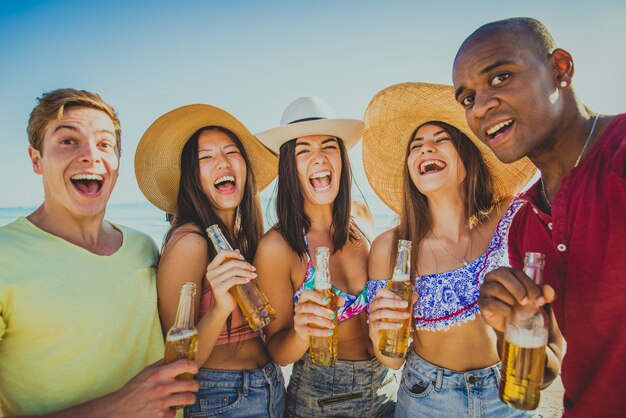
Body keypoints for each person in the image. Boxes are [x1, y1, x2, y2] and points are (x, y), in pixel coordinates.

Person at [452, 17, 626, 417]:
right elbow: (545, 368)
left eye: (499, 78)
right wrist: (508, 325)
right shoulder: (525, 223)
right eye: (466, 98)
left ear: (560, 69)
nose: (480, 107)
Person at [0, 88, 198, 417]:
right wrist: (118, 406)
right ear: (36, 159)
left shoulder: (143, 248)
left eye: (105, 144)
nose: (92, 155)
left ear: (117, 162)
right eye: (68, 141)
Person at [363, 82, 555, 417]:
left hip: (507, 392)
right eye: (416, 147)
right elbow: (391, 358)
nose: (426, 149)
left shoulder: (510, 217)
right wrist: (379, 328)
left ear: (468, 157)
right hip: (427, 397)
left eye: (441, 141)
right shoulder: (391, 247)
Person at [135, 104, 285, 418]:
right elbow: (179, 364)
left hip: (272, 386)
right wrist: (219, 307)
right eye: (206, 157)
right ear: (192, 176)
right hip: (221, 397)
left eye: (231, 153)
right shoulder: (190, 243)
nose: (222, 163)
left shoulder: (249, 236)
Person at [254, 97, 397, 417]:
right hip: (323, 399)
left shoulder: (361, 219)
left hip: (386, 386)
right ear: (290, 166)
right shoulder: (278, 246)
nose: (318, 157)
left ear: (343, 158)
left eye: (328, 146)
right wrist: (302, 332)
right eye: (303, 150)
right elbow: (276, 349)